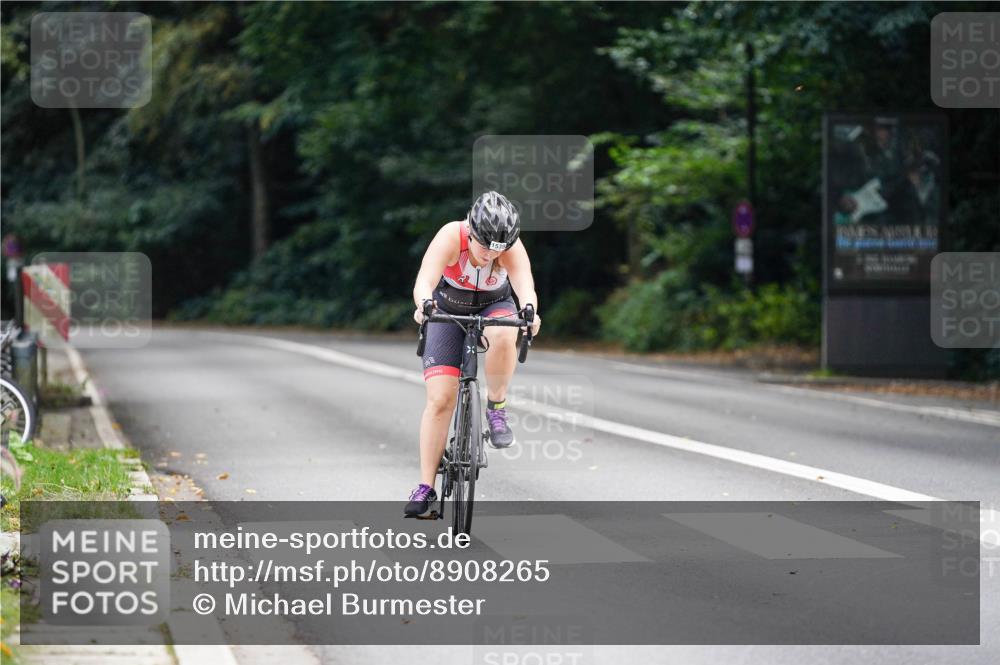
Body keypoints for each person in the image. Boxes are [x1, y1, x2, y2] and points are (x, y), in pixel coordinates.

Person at [405, 191, 541, 517]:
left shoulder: (509, 245)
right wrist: (423, 304)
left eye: (499, 249)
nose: (490, 254)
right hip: (448, 310)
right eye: (485, 246)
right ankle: (426, 488)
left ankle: (496, 408)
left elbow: (525, 285)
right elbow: (424, 279)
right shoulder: (452, 235)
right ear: (472, 230)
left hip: (495, 306)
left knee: (506, 332)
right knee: (439, 400)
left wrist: (530, 311)